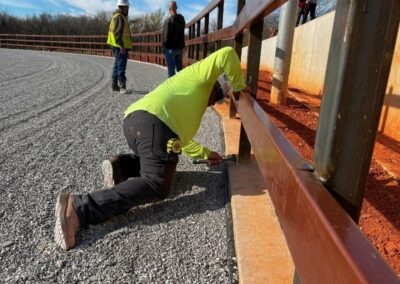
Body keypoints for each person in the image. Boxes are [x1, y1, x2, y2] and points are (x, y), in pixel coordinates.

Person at [54, 46, 246, 250]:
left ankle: (122, 167)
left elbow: (184, 142)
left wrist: (207, 154)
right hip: (154, 125)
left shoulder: (189, 98)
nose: (210, 103)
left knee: (167, 159)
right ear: (214, 87)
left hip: (135, 123)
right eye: (215, 96)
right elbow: (226, 53)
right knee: (157, 183)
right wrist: (239, 87)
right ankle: (78, 209)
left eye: (214, 101)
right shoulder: (200, 75)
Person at [107, 0, 132, 94]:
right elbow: (117, 33)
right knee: (121, 66)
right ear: (123, 7)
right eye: (127, 7)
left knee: (117, 64)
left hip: (116, 45)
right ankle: (122, 86)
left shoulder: (116, 16)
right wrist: (121, 45)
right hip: (120, 46)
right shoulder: (120, 17)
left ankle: (114, 85)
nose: (128, 9)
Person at [162, 1, 186, 77]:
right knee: (180, 72)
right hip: (179, 49)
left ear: (169, 9)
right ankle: (181, 87)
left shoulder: (168, 21)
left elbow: (165, 38)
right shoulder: (182, 19)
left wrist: (163, 48)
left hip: (170, 50)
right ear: (176, 8)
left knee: (171, 73)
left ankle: (172, 88)